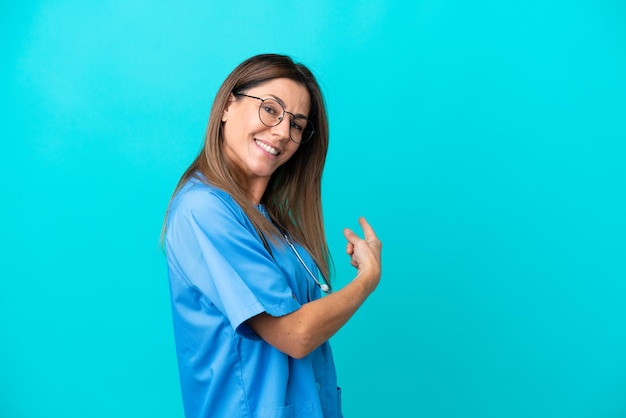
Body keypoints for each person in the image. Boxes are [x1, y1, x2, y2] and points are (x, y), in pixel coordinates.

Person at [163, 53, 382, 418]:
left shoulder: (272, 222)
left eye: (297, 124)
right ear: (227, 106)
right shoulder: (203, 209)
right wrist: (367, 280)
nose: (282, 131)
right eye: (270, 110)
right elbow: (295, 335)